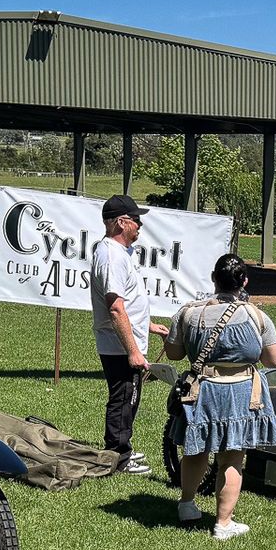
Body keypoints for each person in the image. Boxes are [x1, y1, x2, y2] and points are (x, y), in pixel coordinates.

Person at [164, 254, 276, 540]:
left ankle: (186, 504)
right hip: (241, 390)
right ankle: (223, 523)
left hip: (201, 389)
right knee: (232, 457)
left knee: (196, 450)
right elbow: (274, 360)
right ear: (244, 281)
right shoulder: (257, 316)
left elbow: (174, 354)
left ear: (213, 278)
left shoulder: (189, 313)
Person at [90, 194, 168, 475]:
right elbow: (114, 306)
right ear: (121, 223)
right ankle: (119, 456)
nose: (139, 226)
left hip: (125, 340)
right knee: (124, 398)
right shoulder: (111, 255)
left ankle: (122, 448)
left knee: (128, 396)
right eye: (136, 220)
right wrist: (133, 350)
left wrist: (148, 325)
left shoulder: (119, 253)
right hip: (120, 345)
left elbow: (125, 304)